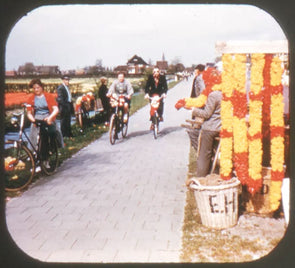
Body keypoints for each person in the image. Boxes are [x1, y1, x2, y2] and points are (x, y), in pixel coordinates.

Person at [26, 79, 59, 162]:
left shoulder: (48, 96)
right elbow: (29, 113)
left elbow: (56, 109)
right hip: (37, 117)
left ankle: (50, 150)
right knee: (33, 134)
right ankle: (33, 154)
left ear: (41, 87)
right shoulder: (31, 98)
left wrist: (50, 118)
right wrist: (33, 120)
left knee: (50, 132)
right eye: (34, 88)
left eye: (38, 87)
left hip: (47, 116)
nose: (36, 90)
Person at [191, 90, 222, 177]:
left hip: (210, 129)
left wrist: (193, 110)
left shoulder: (214, 95)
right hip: (221, 129)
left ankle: (201, 177)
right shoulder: (228, 93)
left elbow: (206, 114)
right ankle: (213, 171)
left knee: (204, 155)